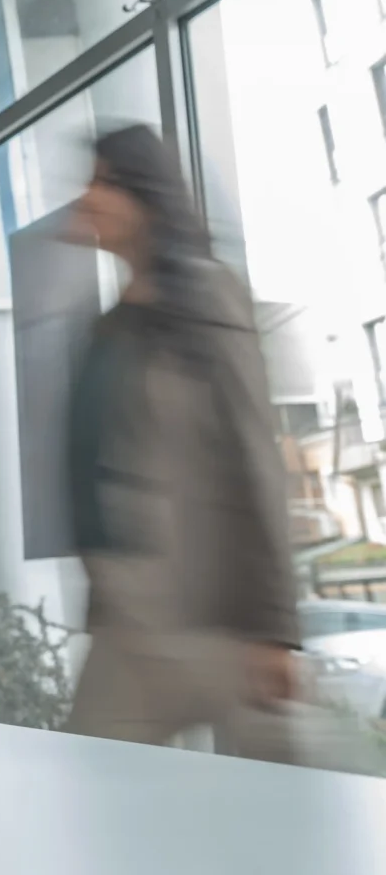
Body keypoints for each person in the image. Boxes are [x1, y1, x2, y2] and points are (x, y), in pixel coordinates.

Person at [61, 124, 299, 761]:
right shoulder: (108, 327)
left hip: (213, 622)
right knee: (91, 801)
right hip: (128, 620)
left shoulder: (209, 296)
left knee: (285, 831)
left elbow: (253, 456)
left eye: (104, 183)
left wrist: (275, 628)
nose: (88, 198)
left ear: (147, 195)